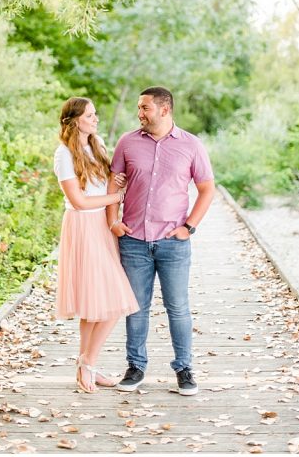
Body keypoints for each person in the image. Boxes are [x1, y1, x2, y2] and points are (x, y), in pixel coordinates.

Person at [107, 87, 215, 396]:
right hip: (134, 241)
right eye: (139, 108)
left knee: (178, 307)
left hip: (173, 243)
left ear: (164, 110)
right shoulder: (127, 143)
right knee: (136, 308)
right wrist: (113, 222)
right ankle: (135, 366)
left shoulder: (191, 145)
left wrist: (189, 227)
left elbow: (207, 189)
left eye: (145, 108)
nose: (139, 113)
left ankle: (184, 369)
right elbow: (113, 185)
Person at [54, 97, 139, 394]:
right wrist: (115, 199)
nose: (96, 118)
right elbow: (78, 200)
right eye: (90, 115)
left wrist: (115, 180)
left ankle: (86, 364)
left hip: (102, 227)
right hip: (82, 225)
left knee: (95, 304)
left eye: (95, 114)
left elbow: (100, 183)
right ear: (75, 120)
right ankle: (87, 364)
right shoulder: (63, 154)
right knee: (114, 302)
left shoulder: (97, 144)